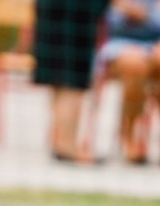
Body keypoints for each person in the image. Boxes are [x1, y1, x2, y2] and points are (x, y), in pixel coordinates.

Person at [98, 0, 160, 165]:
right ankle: (129, 134)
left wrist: (139, 13)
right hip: (121, 41)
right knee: (135, 64)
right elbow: (108, 16)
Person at [33, 0, 112, 163]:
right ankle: (67, 147)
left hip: (53, 10)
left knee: (58, 78)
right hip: (76, 13)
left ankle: (61, 141)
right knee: (72, 82)